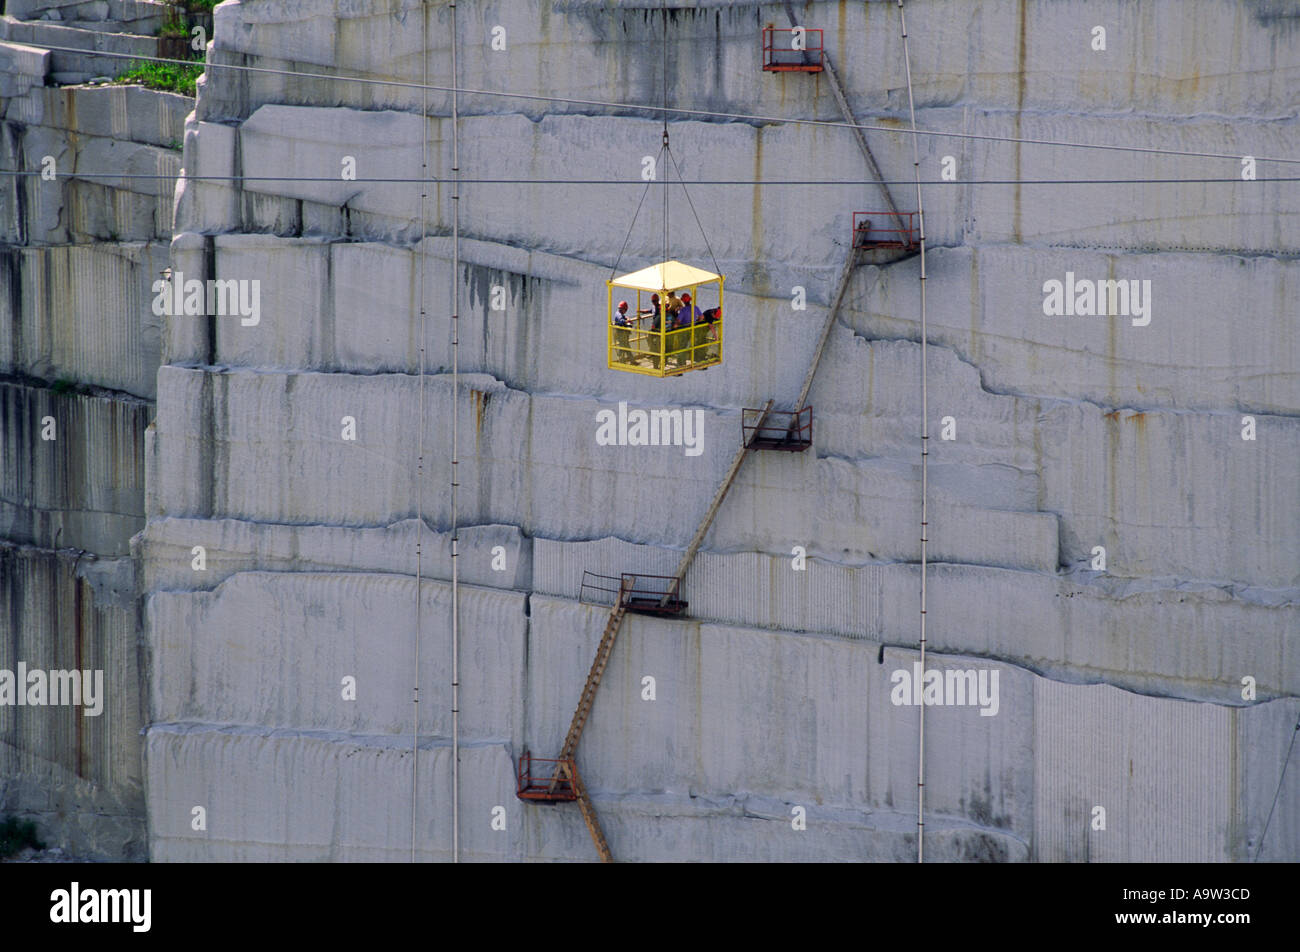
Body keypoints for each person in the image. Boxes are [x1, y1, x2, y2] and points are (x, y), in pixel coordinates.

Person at [670, 292, 702, 368]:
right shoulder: (695, 307)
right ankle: (694, 359)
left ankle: (681, 363)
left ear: (683, 301)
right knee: (690, 345)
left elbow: (678, 321)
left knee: (682, 346)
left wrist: (674, 326)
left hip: (684, 331)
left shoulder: (683, 310)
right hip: (693, 329)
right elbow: (701, 317)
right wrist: (696, 321)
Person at [637, 293, 663, 368]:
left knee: (654, 339)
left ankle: (653, 351)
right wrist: (641, 311)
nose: (654, 302)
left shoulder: (659, 308)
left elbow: (659, 317)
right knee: (650, 337)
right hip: (655, 326)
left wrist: (654, 326)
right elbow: (650, 311)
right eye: (652, 301)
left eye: (655, 301)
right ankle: (651, 349)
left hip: (658, 327)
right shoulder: (654, 307)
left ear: (658, 300)